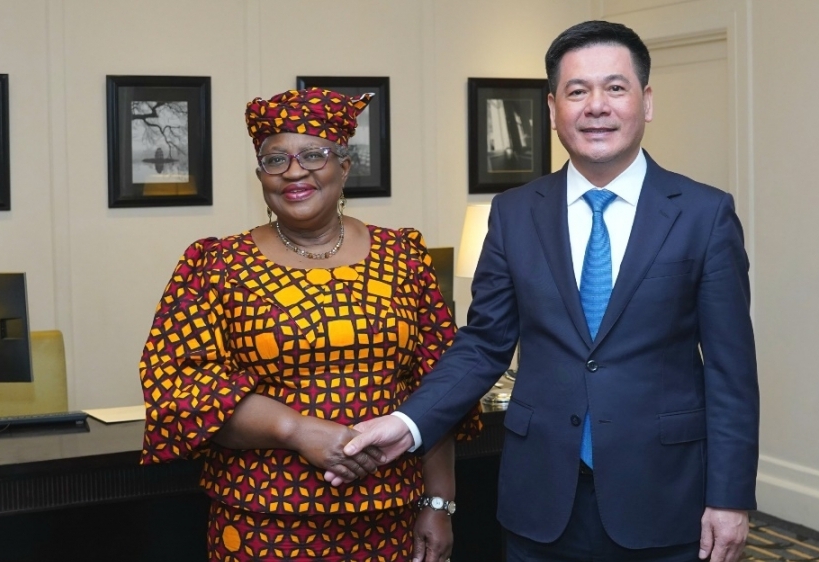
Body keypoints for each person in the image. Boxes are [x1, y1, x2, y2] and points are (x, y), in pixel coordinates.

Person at [339, 20, 759, 562]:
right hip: (541, 499)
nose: (596, 107)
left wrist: (730, 497)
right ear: (553, 109)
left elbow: (730, 370)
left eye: (615, 87)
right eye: (577, 91)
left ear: (647, 101)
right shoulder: (514, 214)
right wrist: (407, 422)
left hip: (665, 496)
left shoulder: (704, 214)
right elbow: (484, 343)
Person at [139, 87, 479, 562]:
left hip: (392, 515)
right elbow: (180, 387)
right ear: (261, 176)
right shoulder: (217, 265)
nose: (294, 171)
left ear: (345, 165)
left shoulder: (403, 256)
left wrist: (438, 502)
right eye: (275, 160)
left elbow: (440, 386)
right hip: (265, 522)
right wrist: (294, 429)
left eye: (313, 155)